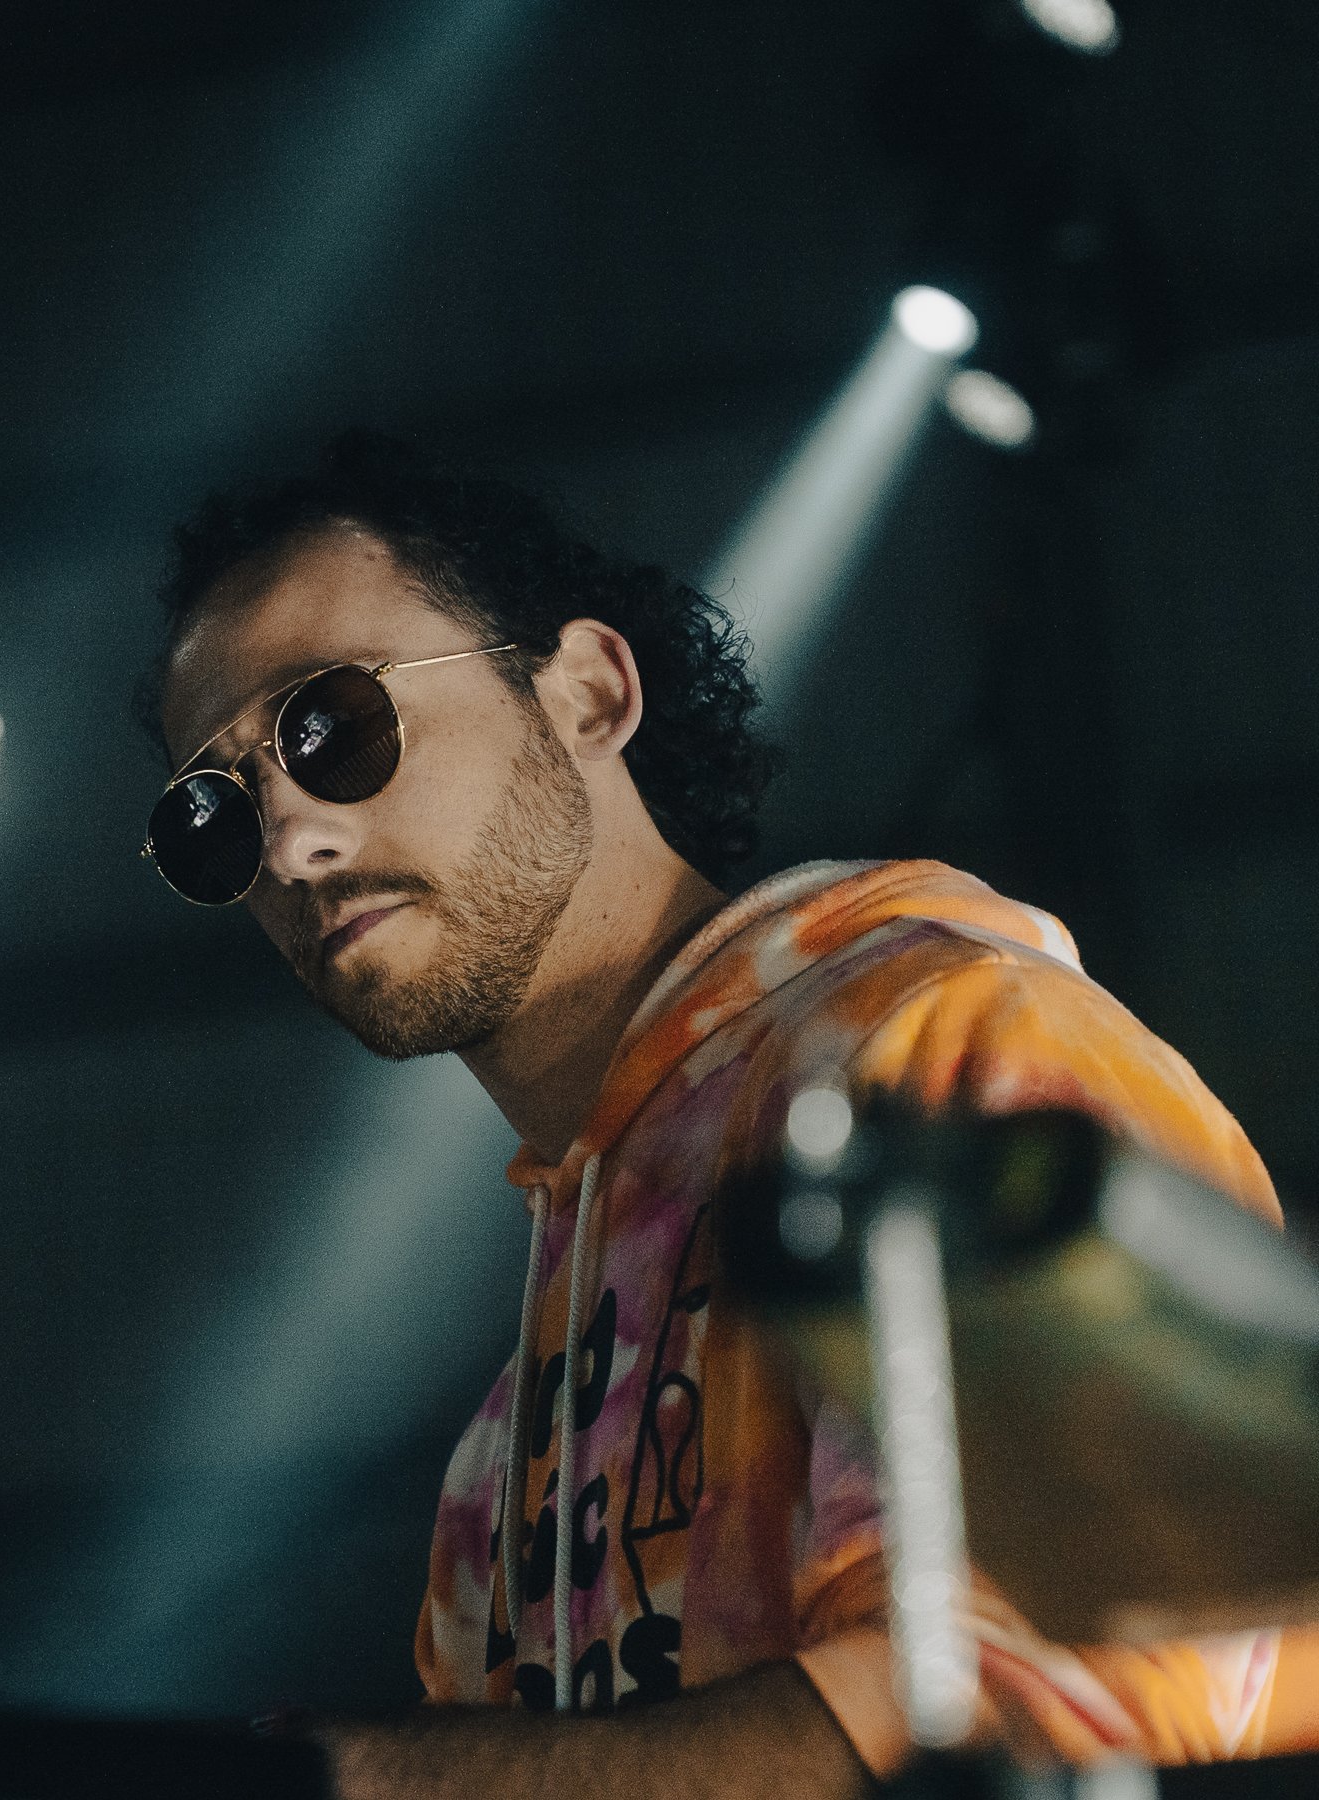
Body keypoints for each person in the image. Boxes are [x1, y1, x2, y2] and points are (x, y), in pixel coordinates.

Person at [134, 433, 1319, 1797]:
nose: (292, 843)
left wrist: (378, 1782)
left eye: (331, 727)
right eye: (213, 819)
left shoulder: (947, 1052)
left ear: (587, 691)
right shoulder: (503, 1449)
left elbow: (1057, 1703)